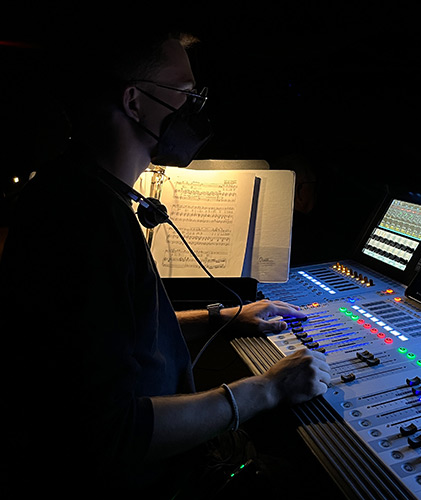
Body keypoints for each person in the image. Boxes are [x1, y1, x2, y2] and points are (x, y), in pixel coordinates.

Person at [0, 27, 331, 497]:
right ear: (134, 102)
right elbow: (112, 433)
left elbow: (117, 332)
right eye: (185, 92)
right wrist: (268, 390)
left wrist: (227, 316)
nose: (195, 106)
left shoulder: (83, 194)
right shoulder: (83, 225)